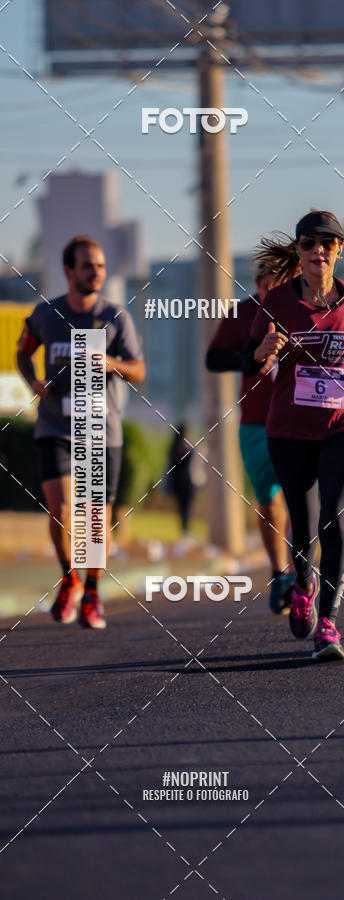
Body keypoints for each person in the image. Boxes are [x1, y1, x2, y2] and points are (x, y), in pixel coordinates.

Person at [242, 210, 344, 662]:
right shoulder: (277, 302)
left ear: (339, 251)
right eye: (309, 244)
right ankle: (303, 585)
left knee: (334, 518)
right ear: (299, 252)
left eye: (327, 243)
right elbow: (252, 361)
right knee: (301, 524)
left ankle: (328, 624)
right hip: (289, 429)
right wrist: (262, 353)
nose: (318, 251)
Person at [16, 235, 145, 628]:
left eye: (101, 266)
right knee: (59, 509)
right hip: (55, 425)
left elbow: (139, 370)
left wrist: (111, 362)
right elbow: (22, 350)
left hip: (100, 431)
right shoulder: (45, 314)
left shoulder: (115, 317)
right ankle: (68, 575)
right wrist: (33, 381)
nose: (97, 273)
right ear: (69, 270)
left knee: (94, 520)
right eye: (88, 265)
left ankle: (91, 594)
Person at [206, 264, 295, 614]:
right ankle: (279, 573)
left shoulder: (306, 310)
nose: (272, 293)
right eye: (267, 287)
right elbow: (212, 358)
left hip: (300, 422)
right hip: (256, 423)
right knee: (270, 503)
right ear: (257, 284)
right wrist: (250, 358)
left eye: (281, 286)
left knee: (302, 504)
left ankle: (303, 576)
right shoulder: (242, 313)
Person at [167, 424, 196, 538]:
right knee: (187, 508)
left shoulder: (174, 447)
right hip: (187, 483)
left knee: (183, 508)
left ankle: (184, 530)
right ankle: (185, 530)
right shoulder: (186, 447)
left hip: (179, 483)